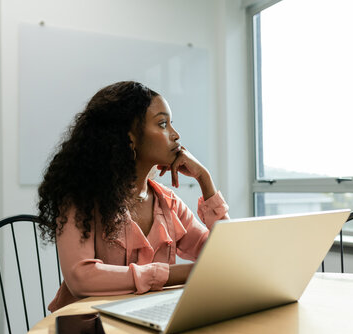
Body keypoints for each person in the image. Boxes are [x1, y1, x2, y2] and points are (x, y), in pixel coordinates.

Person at [38, 81, 229, 312]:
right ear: (130, 139)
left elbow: (225, 256)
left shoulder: (167, 202)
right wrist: (178, 274)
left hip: (146, 324)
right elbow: (81, 278)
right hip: (90, 330)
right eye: (162, 124)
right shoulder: (80, 198)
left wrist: (205, 180)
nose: (176, 135)